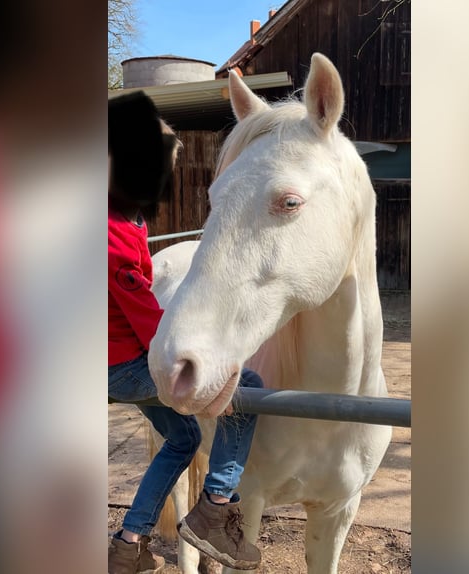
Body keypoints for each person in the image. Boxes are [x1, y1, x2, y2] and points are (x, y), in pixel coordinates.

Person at [107, 92, 263, 574]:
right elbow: (145, 320)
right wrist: (197, 349)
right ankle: (217, 504)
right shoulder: (112, 230)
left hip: (113, 359)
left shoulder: (127, 218)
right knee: (249, 388)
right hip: (122, 365)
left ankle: (128, 543)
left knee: (181, 440)